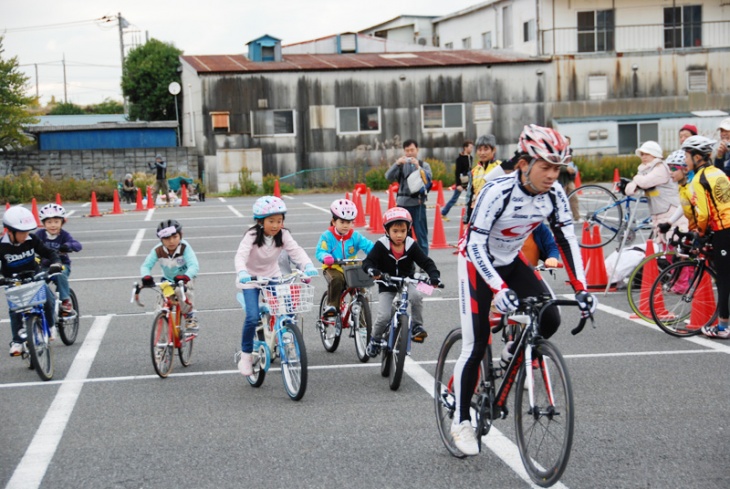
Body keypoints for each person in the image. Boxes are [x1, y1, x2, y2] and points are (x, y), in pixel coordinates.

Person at [450, 124, 596, 456]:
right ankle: (460, 421)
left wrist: (582, 288)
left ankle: (511, 353)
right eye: (545, 166)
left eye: (557, 168)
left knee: (550, 318)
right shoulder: (496, 190)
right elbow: (474, 243)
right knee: (474, 344)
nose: (551, 175)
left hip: (510, 259)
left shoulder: (555, 193)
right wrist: (498, 288)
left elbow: (566, 239)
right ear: (523, 163)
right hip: (476, 261)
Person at [234, 196, 319, 376]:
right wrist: (242, 272)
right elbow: (240, 255)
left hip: (273, 275)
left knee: (288, 309)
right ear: (260, 221)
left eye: (279, 221)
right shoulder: (251, 235)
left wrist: (307, 265)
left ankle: (287, 337)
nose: (275, 225)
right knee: (252, 317)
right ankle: (246, 356)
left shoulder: (283, 234)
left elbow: (296, 251)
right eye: (271, 221)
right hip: (251, 279)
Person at [362, 207, 441, 351]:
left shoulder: (411, 245)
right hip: (386, 282)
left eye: (403, 231)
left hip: (406, 281)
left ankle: (417, 326)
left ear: (408, 230)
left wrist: (434, 276)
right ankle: (375, 339)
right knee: (384, 316)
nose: (399, 235)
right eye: (395, 231)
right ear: (387, 231)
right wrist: (372, 270)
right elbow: (367, 262)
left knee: (417, 296)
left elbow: (426, 262)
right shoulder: (381, 245)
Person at [683, 135, 730, 339]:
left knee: (724, 278)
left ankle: (724, 327)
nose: (684, 160)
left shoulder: (699, 179)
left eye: (686, 155)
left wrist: (700, 233)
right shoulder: (718, 172)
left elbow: (703, 213)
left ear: (697, 157)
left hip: (724, 229)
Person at [0, 206, 62, 354]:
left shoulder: (31, 239)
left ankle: (51, 326)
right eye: (22, 232)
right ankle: (17, 341)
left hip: (33, 275)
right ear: (10, 231)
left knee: (47, 298)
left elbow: (48, 252)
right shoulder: (2, 246)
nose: (25, 235)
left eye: (27, 231)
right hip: (13, 280)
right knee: (15, 309)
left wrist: (56, 262)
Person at [619, 141, 686, 245]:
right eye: (642, 154)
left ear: (655, 154)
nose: (643, 157)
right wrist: (637, 181)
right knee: (664, 245)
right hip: (658, 213)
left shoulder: (661, 168)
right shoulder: (644, 170)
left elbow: (645, 182)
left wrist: (636, 179)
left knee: (673, 243)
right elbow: (629, 190)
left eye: (647, 154)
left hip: (670, 210)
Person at [315, 199, 374, 316]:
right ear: (334, 221)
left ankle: (362, 326)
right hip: (333, 267)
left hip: (351, 267)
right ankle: (332, 307)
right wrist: (326, 256)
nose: (346, 226)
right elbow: (320, 251)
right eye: (342, 222)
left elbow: (369, 246)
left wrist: (377, 254)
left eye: (349, 222)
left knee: (361, 292)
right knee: (337, 280)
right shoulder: (327, 236)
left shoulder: (355, 236)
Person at [140, 219, 200, 332]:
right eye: (166, 238)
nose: (171, 241)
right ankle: (161, 344)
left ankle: (189, 316)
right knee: (160, 308)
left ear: (181, 235)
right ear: (161, 239)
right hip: (167, 280)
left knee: (180, 291)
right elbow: (145, 266)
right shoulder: (157, 250)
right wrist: (146, 276)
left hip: (185, 278)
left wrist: (186, 276)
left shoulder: (185, 247)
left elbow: (194, 266)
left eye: (175, 237)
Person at [385, 139, 433, 255]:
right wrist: (397, 164)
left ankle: (423, 263)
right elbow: (388, 177)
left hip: (418, 204)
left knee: (421, 235)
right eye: (407, 151)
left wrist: (418, 168)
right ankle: (406, 263)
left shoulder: (423, 165)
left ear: (417, 150)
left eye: (412, 150)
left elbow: (428, 181)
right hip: (403, 205)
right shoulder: (401, 166)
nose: (410, 153)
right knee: (404, 236)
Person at [35, 204, 82, 315]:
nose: (53, 225)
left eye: (56, 222)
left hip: (61, 264)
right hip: (45, 266)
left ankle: (65, 300)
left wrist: (68, 245)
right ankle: (40, 301)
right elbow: (29, 244)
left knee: (60, 275)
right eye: (49, 222)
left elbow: (78, 245)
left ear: (62, 222)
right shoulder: (39, 235)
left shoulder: (64, 235)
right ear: (44, 224)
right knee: (36, 279)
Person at [463, 134, 502, 223]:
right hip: (477, 215)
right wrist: (466, 220)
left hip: (496, 216)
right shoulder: (474, 171)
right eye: (479, 150)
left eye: (486, 149)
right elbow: (469, 196)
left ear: (494, 150)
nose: (482, 153)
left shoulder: (501, 168)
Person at [441, 140, 473, 220]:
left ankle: (470, 215)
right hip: (462, 181)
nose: (472, 149)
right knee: (454, 199)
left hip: (469, 181)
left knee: (472, 198)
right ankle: (443, 213)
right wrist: (458, 184)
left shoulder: (470, 158)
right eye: (470, 147)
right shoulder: (460, 159)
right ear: (465, 148)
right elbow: (457, 172)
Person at [559, 136, 580, 221]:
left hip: (569, 179)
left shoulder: (569, 152)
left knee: (574, 198)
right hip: (560, 180)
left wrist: (573, 170)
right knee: (561, 200)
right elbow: (554, 165)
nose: (566, 144)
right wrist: (565, 168)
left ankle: (577, 217)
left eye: (568, 142)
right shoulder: (558, 151)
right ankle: (561, 218)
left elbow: (570, 163)